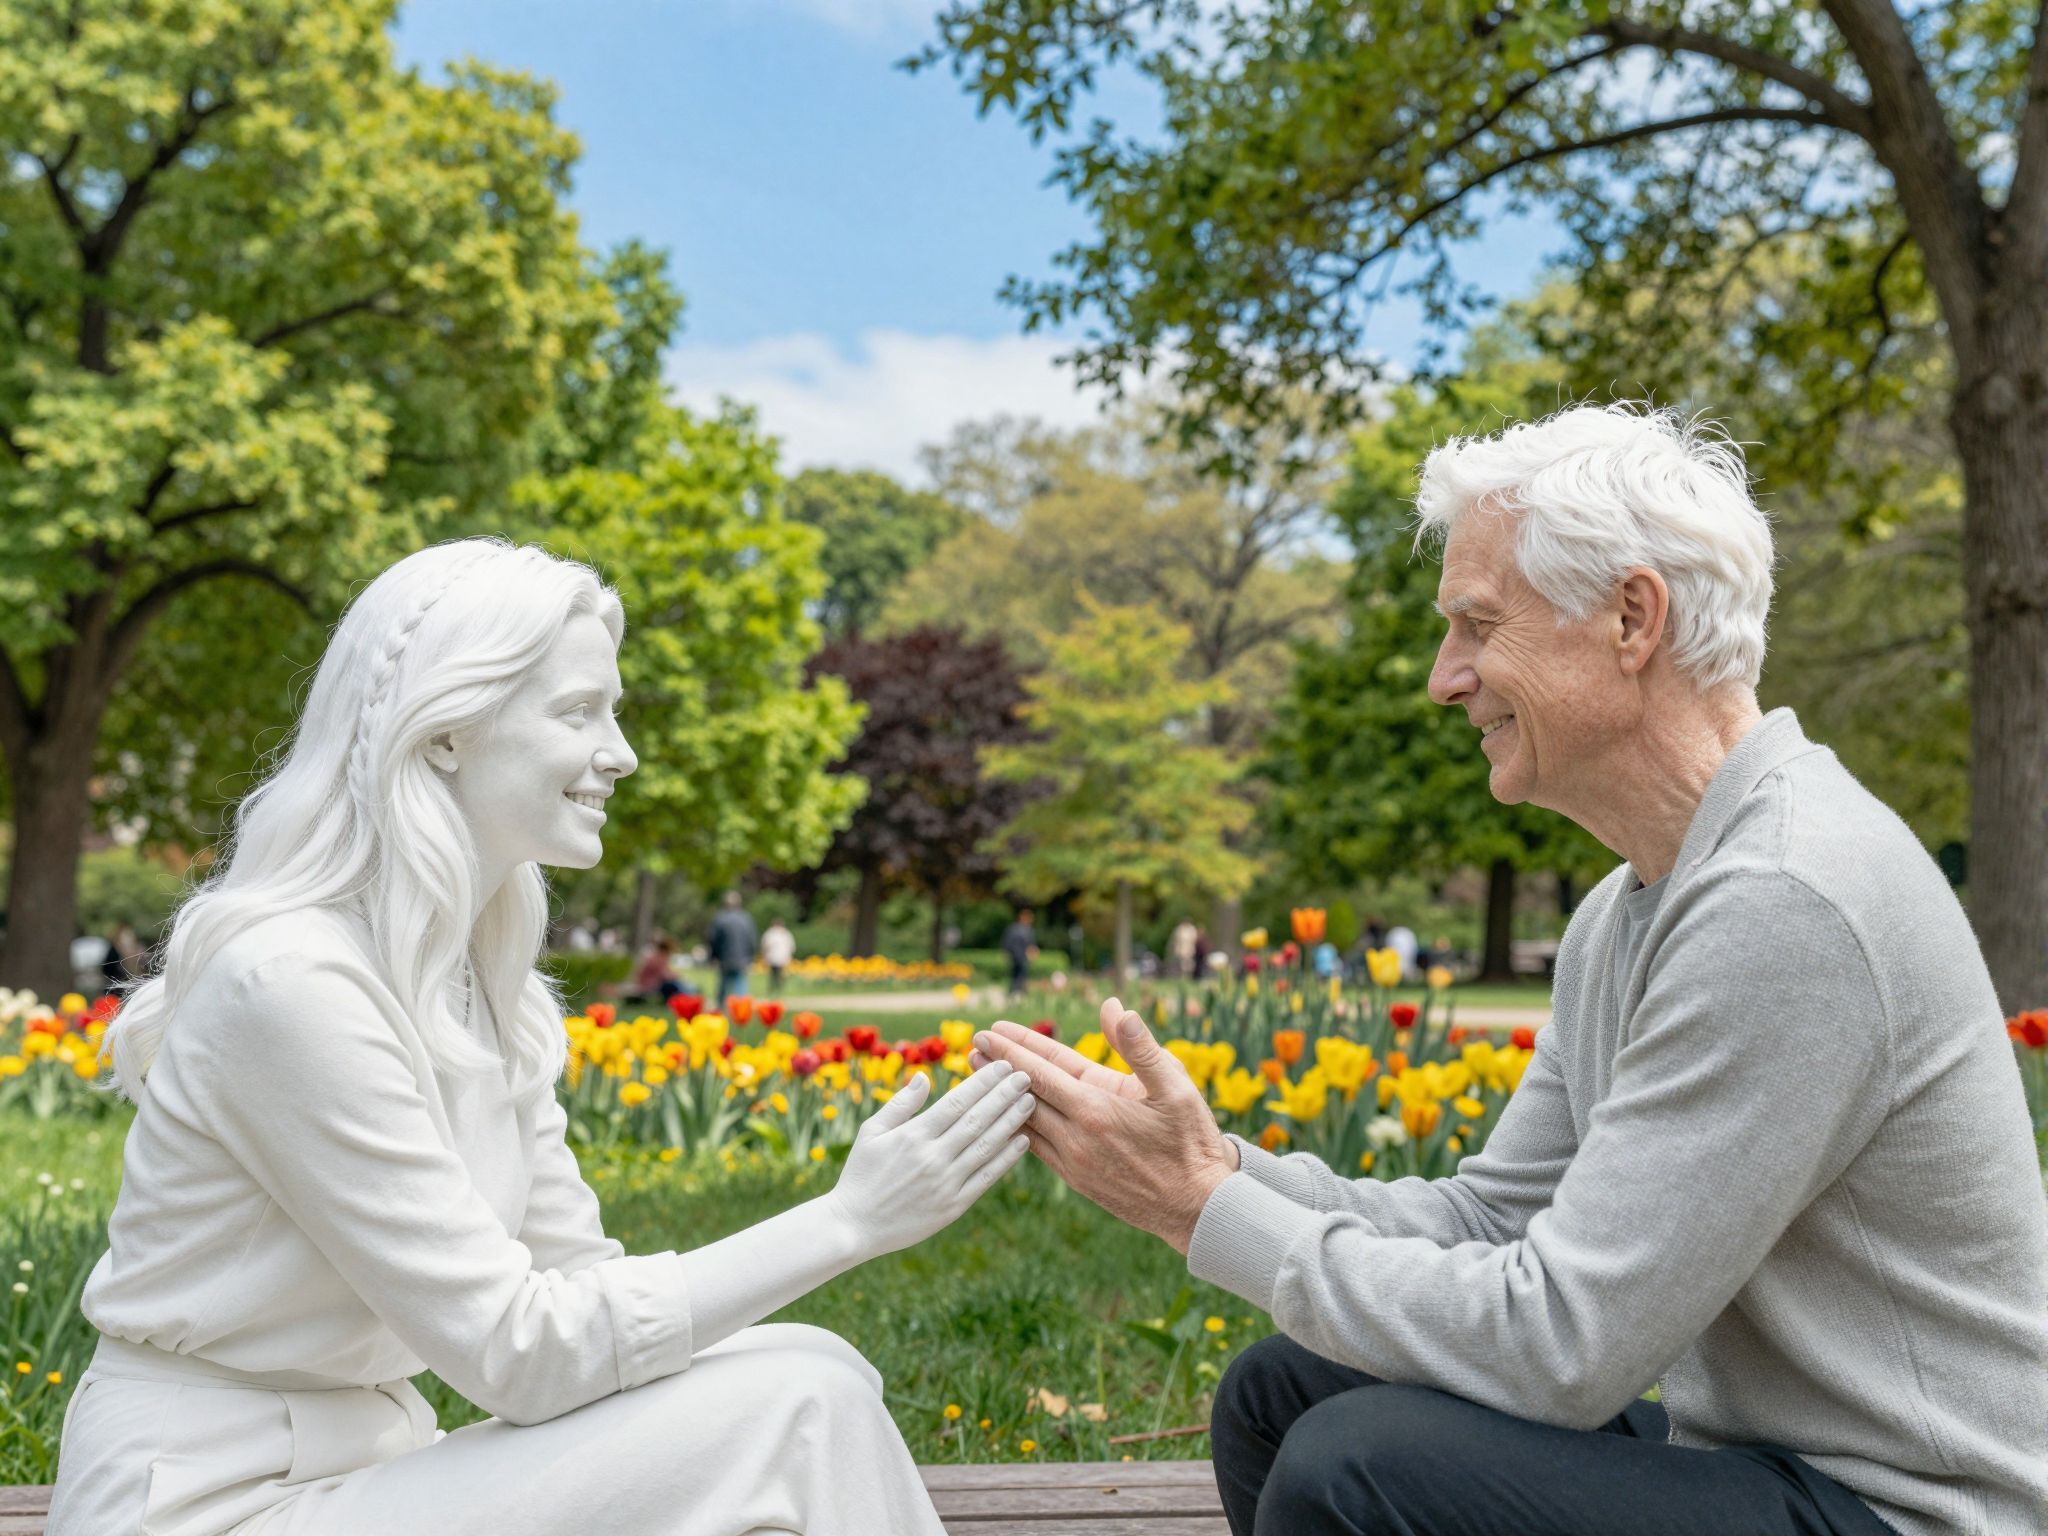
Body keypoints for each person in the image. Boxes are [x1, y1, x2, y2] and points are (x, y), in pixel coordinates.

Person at [972, 405, 2048, 1536]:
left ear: (1631, 617)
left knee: (1357, 1470)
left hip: (1917, 1513)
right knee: (1285, 1397)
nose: (1446, 679)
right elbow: (1491, 1219)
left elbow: (1564, 1347)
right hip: (1769, 1464)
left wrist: (1204, 1211)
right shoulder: (1630, 907)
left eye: (1477, 626)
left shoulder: (1786, 898)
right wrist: (1219, 1170)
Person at [48, 538, 1037, 1536]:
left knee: (812, 1366)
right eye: (577, 712)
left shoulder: (488, 989)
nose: (621, 753)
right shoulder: (288, 982)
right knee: (803, 1407)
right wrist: (848, 1222)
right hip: (205, 1505)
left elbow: (580, 1287)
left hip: (371, 1474)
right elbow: (516, 1353)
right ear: (446, 732)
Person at [705, 890, 757, 1010]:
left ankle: (720, 1009)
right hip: (742, 958)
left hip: (725, 958)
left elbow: (713, 940)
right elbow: (752, 940)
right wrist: (751, 956)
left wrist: (713, 956)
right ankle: (740, 1010)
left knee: (723, 986)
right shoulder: (746, 919)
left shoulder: (720, 919)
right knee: (740, 986)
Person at [627, 933, 682, 1005]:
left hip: (647, 984)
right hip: (649, 986)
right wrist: (676, 975)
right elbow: (665, 975)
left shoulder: (654, 957)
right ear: (665, 950)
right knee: (672, 986)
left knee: (675, 985)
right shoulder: (658, 959)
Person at [1000, 908, 1039, 998]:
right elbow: (1007, 942)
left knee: (1024, 974)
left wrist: (1033, 953)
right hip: (1015, 955)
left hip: (1024, 957)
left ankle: (1022, 992)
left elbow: (1032, 944)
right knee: (1014, 974)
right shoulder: (1013, 929)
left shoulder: (1029, 930)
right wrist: (1005, 953)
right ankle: (1013, 992)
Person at [761, 920, 796, 996]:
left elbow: (790, 946)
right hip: (774, 957)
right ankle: (774, 988)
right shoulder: (772, 934)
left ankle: (778, 988)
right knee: (774, 974)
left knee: (778, 974)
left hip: (780, 957)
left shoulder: (784, 934)